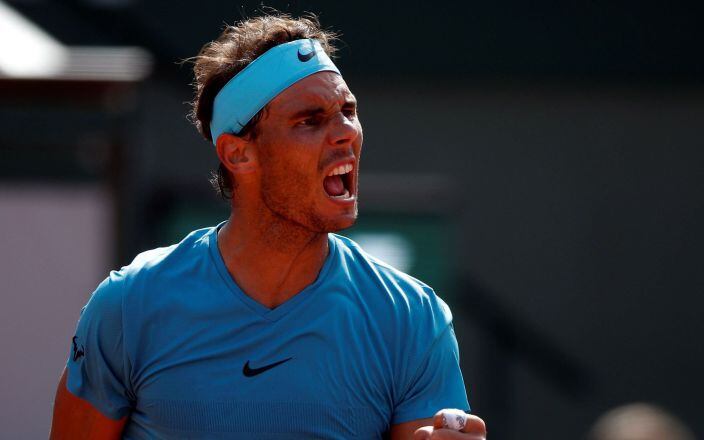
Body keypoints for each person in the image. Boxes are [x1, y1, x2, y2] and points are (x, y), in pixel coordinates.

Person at [50, 13, 487, 440]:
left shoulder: (411, 318)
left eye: (348, 111)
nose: (345, 133)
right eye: (310, 120)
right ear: (239, 154)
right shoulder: (128, 306)